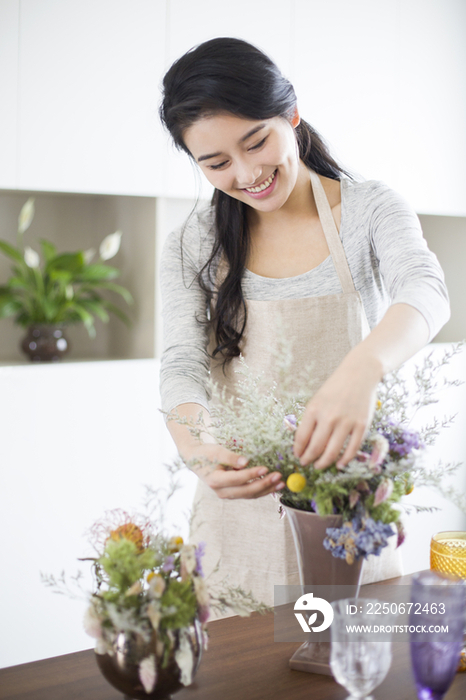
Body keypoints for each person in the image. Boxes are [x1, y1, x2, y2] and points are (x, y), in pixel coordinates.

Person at [158, 37, 450, 607]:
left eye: (257, 141)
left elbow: (427, 288)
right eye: (216, 163)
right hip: (238, 516)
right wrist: (196, 446)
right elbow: (182, 361)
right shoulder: (193, 242)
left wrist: (360, 371)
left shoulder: (367, 210)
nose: (247, 174)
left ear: (291, 115)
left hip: (345, 509)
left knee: (358, 677)